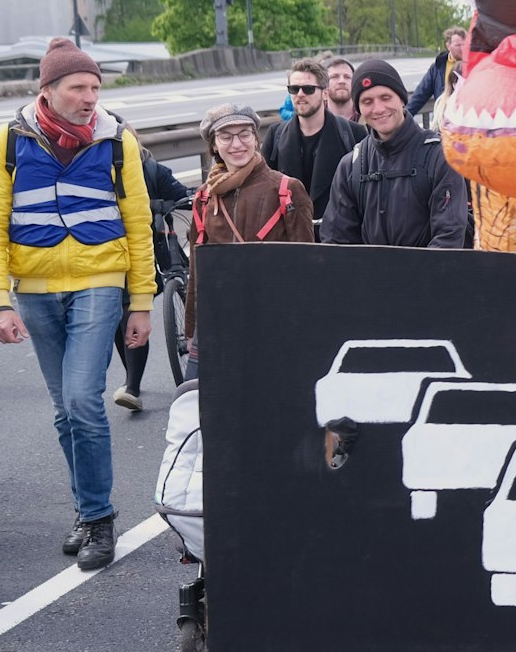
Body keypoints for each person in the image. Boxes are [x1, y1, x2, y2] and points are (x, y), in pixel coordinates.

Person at [0, 38, 154, 570]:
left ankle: (99, 519)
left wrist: (140, 301)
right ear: (47, 91)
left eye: (95, 87)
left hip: (100, 281)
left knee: (82, 399)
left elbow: (139, 226)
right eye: (78, 87)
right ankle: (85, 508)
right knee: (62, 411)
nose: (89, 97)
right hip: (33, 291)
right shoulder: (6, 143)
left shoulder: (118, 141)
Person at [184, 104, 316, 377]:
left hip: (272, 317)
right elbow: (198, 269)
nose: (237, 144)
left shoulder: (286, 189)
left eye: (244, 134)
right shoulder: (204, 197)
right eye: (226, 137)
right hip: (219, 315)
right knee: (202, 403)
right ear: (214, 146)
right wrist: (192, 327)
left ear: (256, 139)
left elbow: (307, 266)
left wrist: (305, 324)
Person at [320, 60, 471, 248]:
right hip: (368, 276)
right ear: (359, 109)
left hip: (429, 274)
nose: (379, 109)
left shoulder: (440, 157)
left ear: (401, 99)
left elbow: (449, 235)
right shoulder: (351, 166)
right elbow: (336, 241)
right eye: (367, 101)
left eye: (386, 97)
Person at [111, 143, 191, 411]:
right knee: (116, 318)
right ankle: (131, 376)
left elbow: (183, 197)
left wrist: (162, 205)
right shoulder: (96, 172)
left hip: (149, 252)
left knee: (128, 311)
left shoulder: (152, 170)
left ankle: (132, 385)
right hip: (110, 253)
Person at [262, 57, 364, 221]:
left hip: (337, 237)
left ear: (325, 93)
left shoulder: (353, 134)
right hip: (292, 237)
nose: (300, 94)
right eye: (294, 89)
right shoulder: (275, 136)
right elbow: (264, 192)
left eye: (308, 89)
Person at [407, 26, 469, 122]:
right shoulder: (438, 67)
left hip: (466, 123)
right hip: (443, 122)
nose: (462, 49)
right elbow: (420, 94)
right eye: (458, 45)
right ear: (448, 46)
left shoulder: (473, 65)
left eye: (464, 45)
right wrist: (402, 120)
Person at [323, 56, 358, 122]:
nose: (342, 81)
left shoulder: (367, 116)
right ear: (324, 83)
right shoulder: (314, 118)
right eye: (334, 77)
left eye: (347, 77)